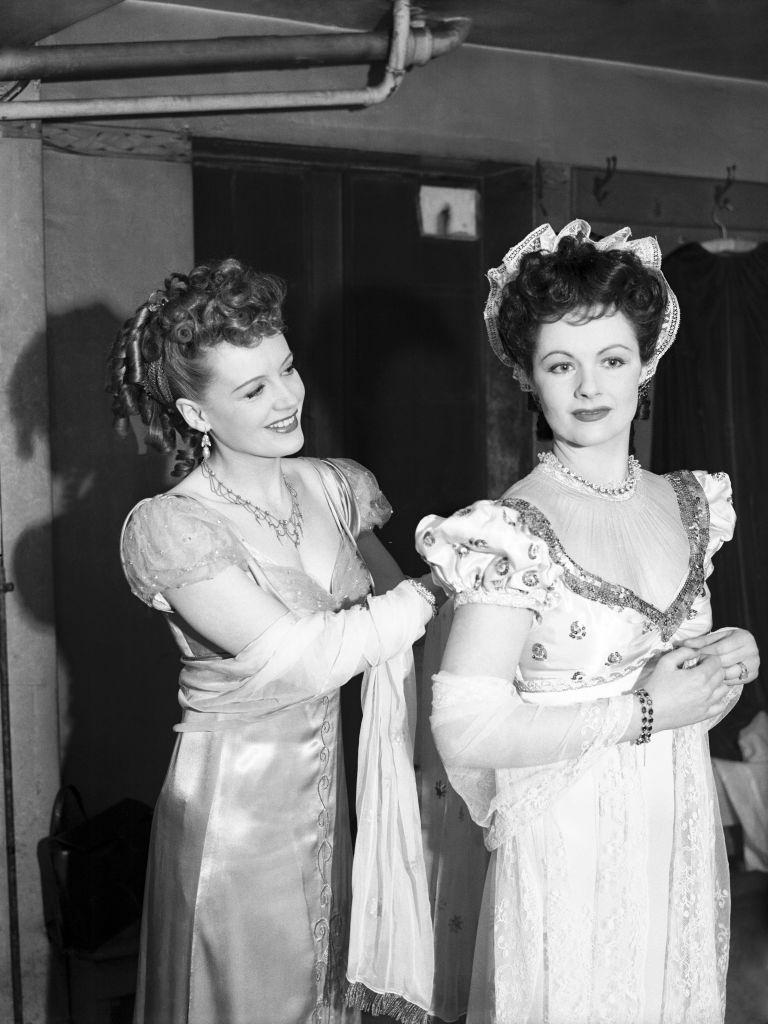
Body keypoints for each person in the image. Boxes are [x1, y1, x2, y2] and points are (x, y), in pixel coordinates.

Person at [415, 221, 760, 1024]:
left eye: (611, 359)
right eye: (560, 365)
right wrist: (644, 710)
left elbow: (673, 671)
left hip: (671, 817)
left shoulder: (690, 503)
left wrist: (724, 655)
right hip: (568, 837)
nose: (589, 386)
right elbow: (464, 728)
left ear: (646, 366)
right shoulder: (512, 530)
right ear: (529, 380)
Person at [108, 257, 438, 1024]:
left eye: (286, 368)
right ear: (196, 415)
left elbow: (406, 624)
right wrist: (437, 586)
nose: (288, 397)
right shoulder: (172, 527)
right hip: (235, 822)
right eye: (253, 389)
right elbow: (303, 658)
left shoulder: (333, 486)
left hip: (334, 796)